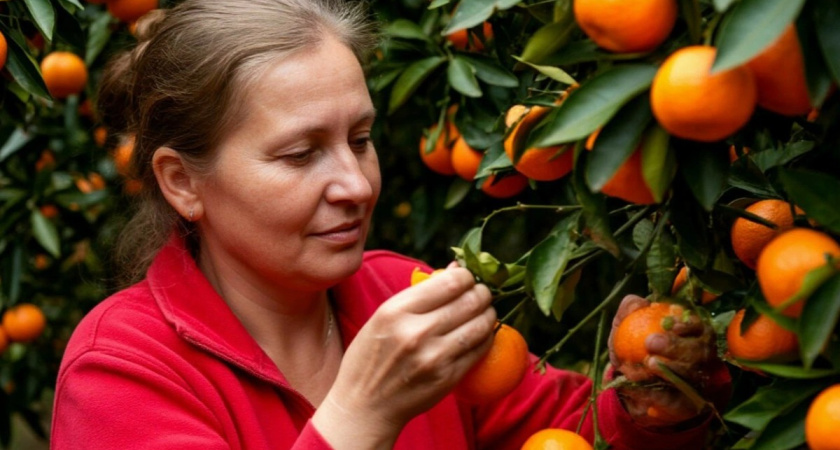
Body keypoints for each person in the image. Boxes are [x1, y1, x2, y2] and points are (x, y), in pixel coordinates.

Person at [50, 0, 730, 448]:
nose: (354, 184)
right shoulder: (123, 370)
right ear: (182, 182)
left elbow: (572, 430)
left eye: (362, 139)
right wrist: (362, 415)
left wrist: (653, 397)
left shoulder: (401, 294)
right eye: (300, 153)